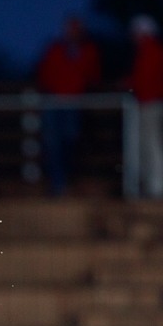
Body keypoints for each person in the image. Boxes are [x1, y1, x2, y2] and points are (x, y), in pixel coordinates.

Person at [34, 16, 101, 196]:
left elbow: (93, 75)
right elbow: (44, 73)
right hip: (54, 103)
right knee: (53, 145)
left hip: (74, 104)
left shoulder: (87, 50)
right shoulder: (55, 49)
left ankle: (67, 183)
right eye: (68, 29)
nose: (71, 33)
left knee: (70, 143)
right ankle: (57, 185)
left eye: (74, 29)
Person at [127, 14, 163, 200]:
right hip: (145, 103)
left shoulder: (153, 50)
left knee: (154, 146)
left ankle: (158, 188)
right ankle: (150, 187)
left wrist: (128, 84)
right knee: (145, 146)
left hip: (153, 103)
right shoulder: (146, 51)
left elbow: (145, 79)